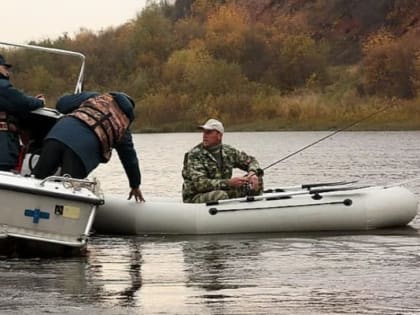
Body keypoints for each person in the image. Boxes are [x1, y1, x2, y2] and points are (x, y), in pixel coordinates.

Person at [32, 91, 145, 202]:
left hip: (57, 135)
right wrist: (135, 185)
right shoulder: (123, 126)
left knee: (37, 180)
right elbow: (130, 159)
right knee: (67, 192)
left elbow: (62, 103)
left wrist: (70, 96)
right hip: (82, 152)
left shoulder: (96, 97)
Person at [182, 118, 264, 203]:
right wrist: (229, 183)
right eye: (204, 132)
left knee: (258, 180)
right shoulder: (194, 155)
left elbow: (251, 161)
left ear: (219, 135)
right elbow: (201, 184)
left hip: (224, 191)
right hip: (196, 196)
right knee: (221, 195)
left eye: (209, 132)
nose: (204, 135)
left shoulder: (228, 151)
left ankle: (253, 209)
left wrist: (252, 173)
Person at [0, 54, 45, 171]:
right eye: (5, 67)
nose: (7, 71)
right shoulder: (2, 87)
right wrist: (39, 102)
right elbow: (22, 102)